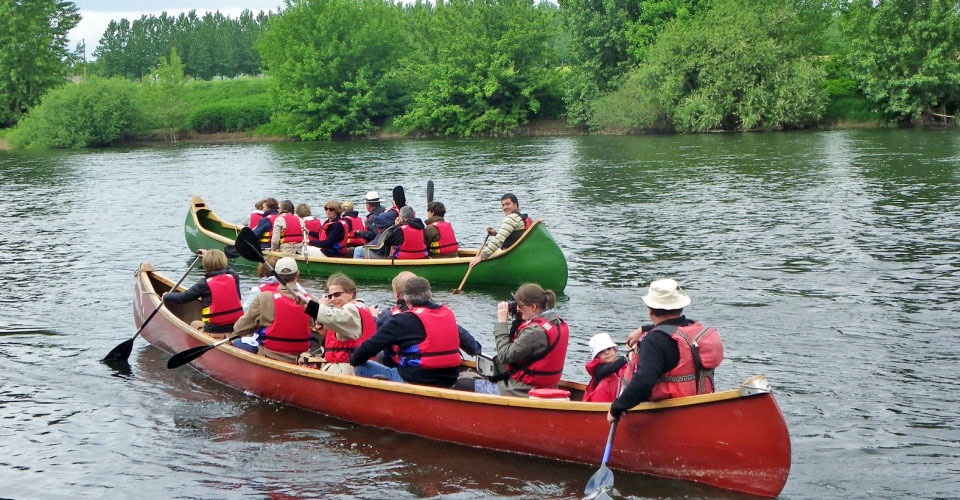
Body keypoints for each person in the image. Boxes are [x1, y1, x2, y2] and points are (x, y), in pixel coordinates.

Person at [607, 279, 724, 423]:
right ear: (680, 308)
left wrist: (617, 408)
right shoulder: (694, 328)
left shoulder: (654, 340)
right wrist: (644, 328)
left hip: (670, 414)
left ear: (650, 311)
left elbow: (644, 381)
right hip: (698, 405)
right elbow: (674, 327)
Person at [350, 277, 481, 387]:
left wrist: (353, 359)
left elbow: (365, 350)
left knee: (361, 366)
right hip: (449, 380)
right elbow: (474, 346)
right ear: (430, 295)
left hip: (416, 381)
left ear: (406, 299)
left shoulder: (400, 320)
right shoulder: (447, 314)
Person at [477, 283, 568, 396]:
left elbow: (504, 356)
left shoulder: (534, 331)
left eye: (520, 306)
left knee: (464, 383)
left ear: (533, 307)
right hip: (543, 387)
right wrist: (520, 318)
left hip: (520, 390)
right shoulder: (556, 322)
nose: (517, 308)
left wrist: (502, 322)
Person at [232, 257, 313, 363]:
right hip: (301, 356)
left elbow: (239, 328)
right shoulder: (310, 301)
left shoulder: (264, 297)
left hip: (271, 354)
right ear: (297, 274)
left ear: (276, 276)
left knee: (238, 343)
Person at [292, 273, 377, 375]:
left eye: (337, 294)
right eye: (330, 296)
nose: (332, 299)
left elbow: (332, 317)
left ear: (350, 294)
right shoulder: (361, 310)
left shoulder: (350, 310)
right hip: (355, 367)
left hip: (347, 369)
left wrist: (310, 303)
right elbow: (328, 334)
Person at [162, 249, 242, 338]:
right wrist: (212, 256)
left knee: (194, 324)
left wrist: (166, 296)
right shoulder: (234, 277)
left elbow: (182, 297)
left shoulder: (204, 284)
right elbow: (227, 269)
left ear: (205, 265)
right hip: (235, 327)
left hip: (213, 329)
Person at [469, 193, 531, 268]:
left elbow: (499, 240)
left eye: (508, 204)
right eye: (503, 205)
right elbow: (512, 235)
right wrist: (495, 233)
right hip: (520, 254)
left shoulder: (511, 218)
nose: (505, 207)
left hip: (511, 257)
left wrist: (481, 257)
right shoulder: (520, 217)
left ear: (516, 204)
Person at [582, 332, 629, 403]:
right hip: (598, 407)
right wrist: (627, 358)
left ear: (615, 350)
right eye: (601, 351)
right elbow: (610, 369)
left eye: (609, 349)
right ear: (597, 357)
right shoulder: (598, 369)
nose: (607, 353)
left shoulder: (625, 367)